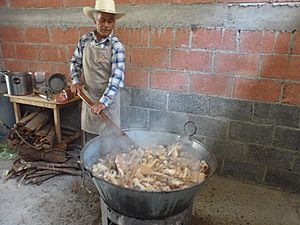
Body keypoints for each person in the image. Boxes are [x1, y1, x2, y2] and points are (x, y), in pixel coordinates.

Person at [69, 0, 126, 144]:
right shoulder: (84, 40)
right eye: (102, 20)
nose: (106, 25)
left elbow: (116, 79)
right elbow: (75, 62)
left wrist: (103, 102)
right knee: (90, 142)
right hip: (89, 99)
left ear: (113, 23)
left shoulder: (116, 46)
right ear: (95, 21)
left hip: (109, 102)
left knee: (109, 144)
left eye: (110, 21)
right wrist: (76, 81)